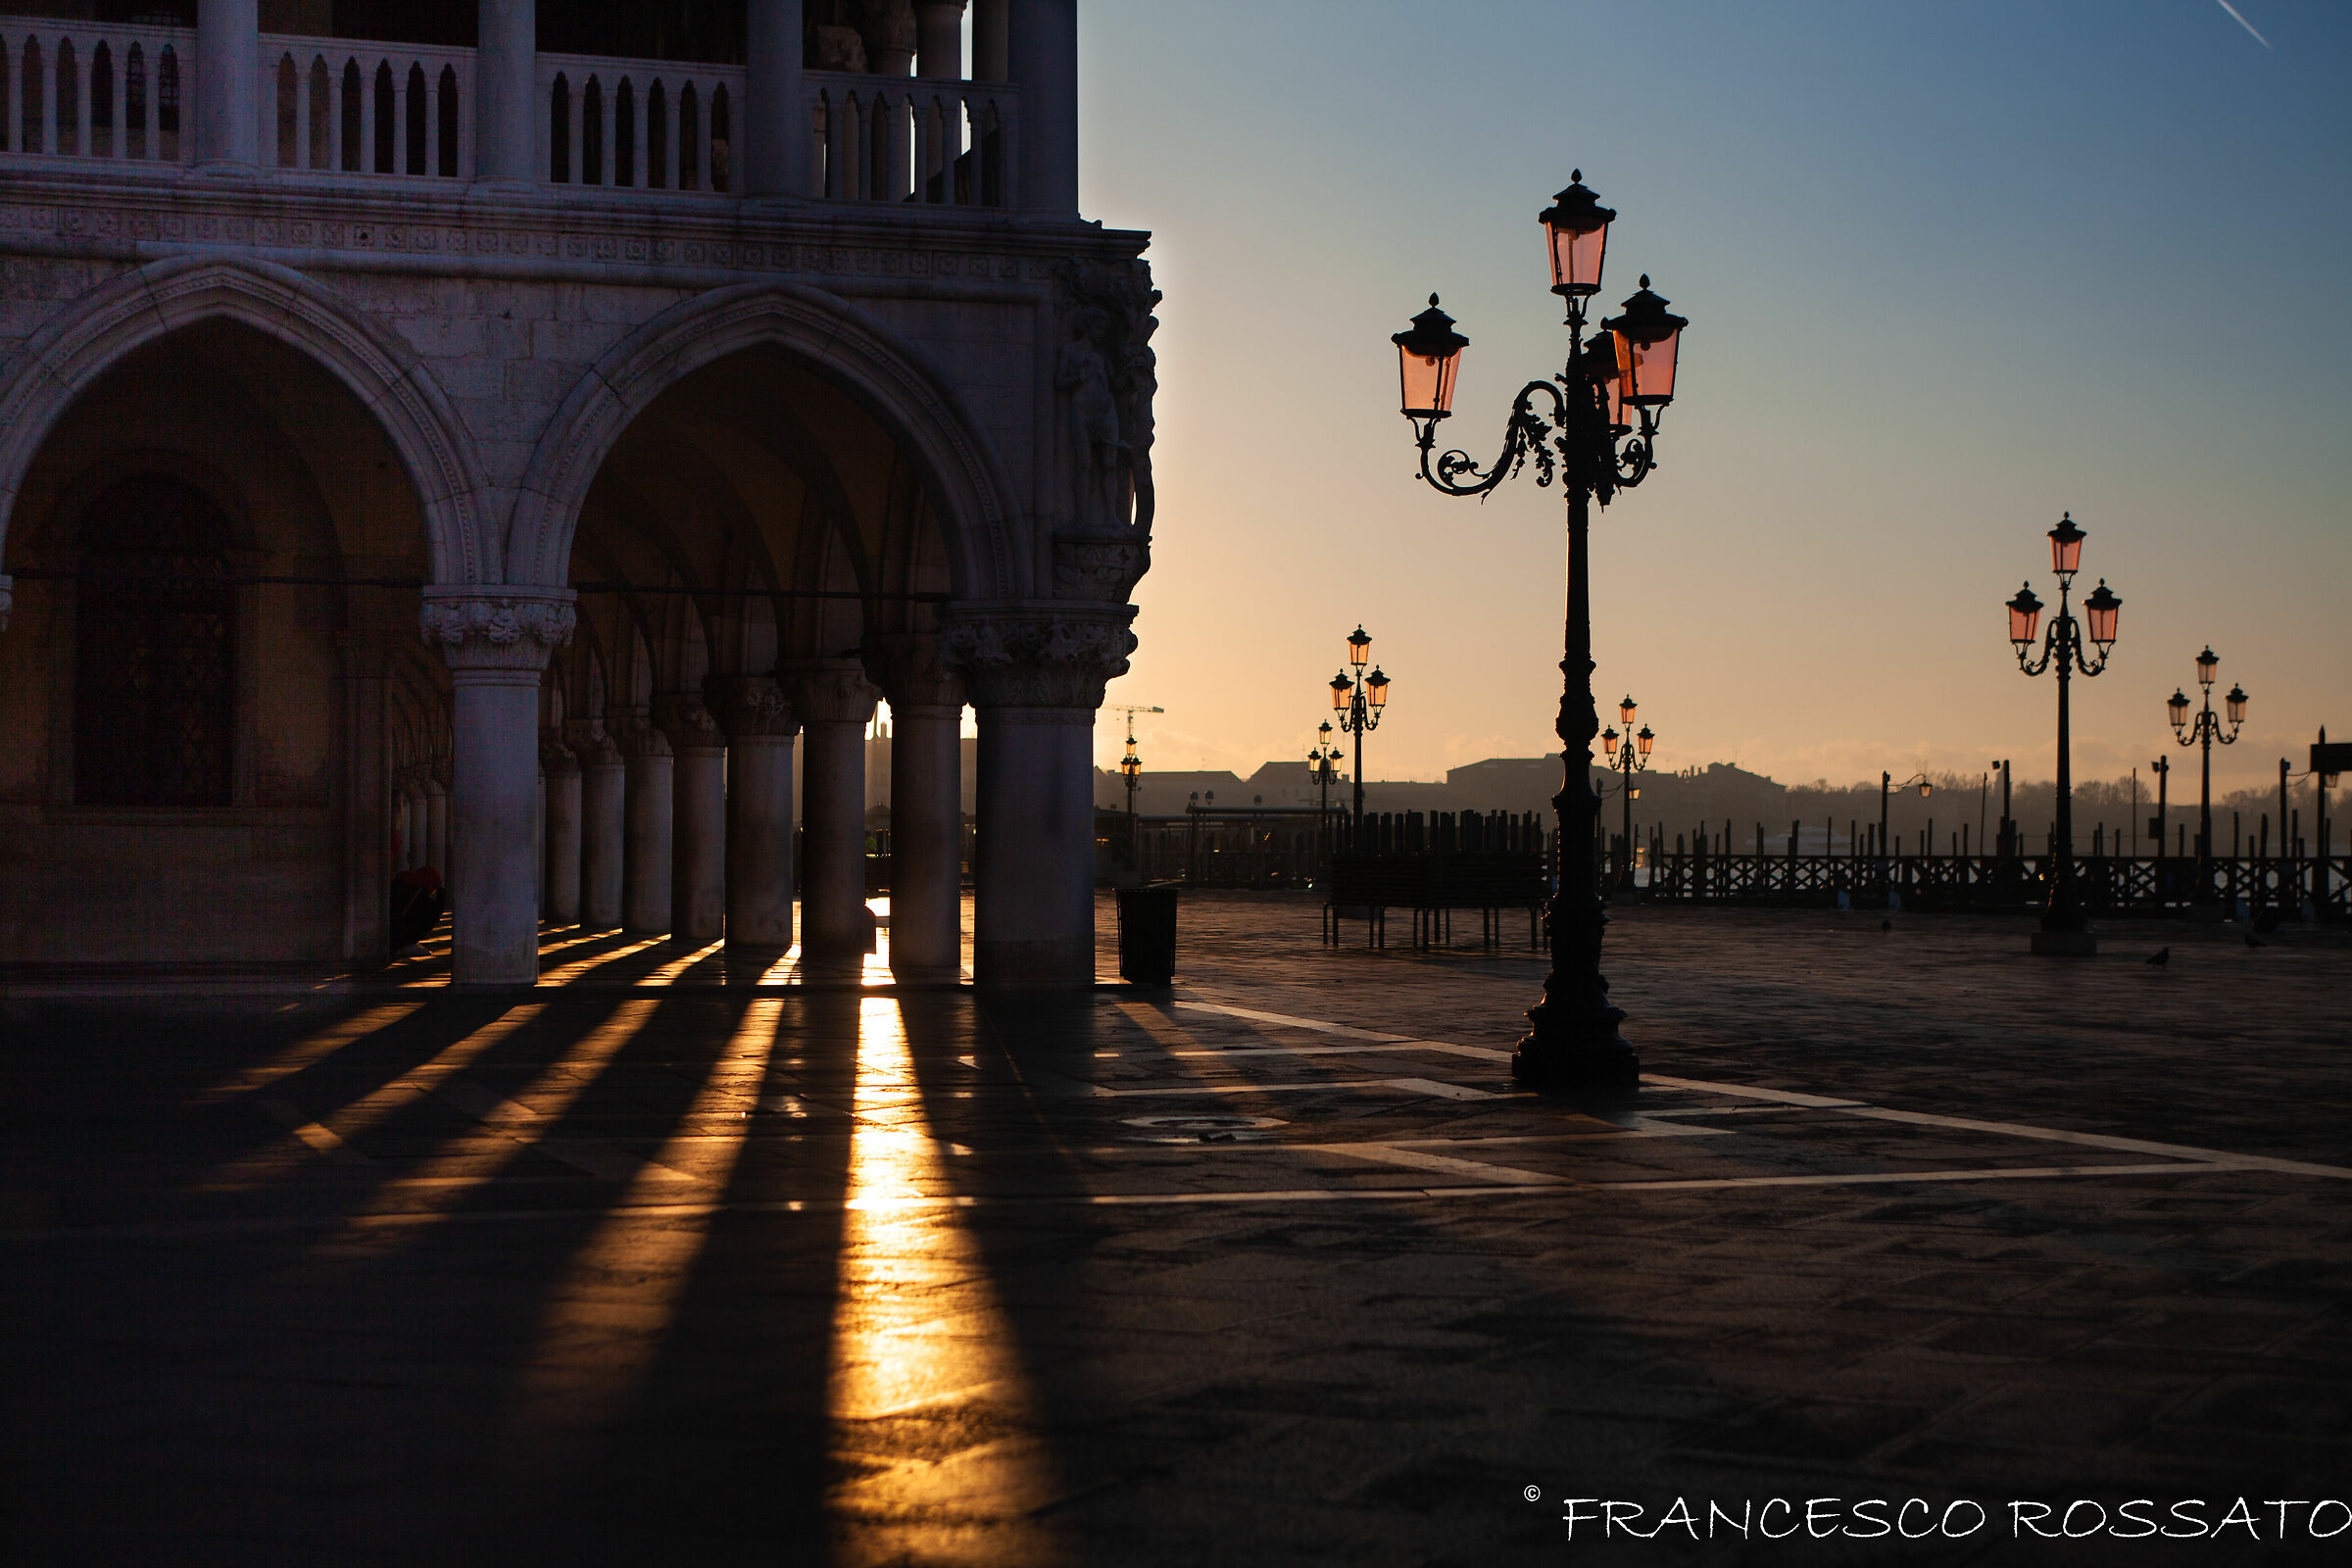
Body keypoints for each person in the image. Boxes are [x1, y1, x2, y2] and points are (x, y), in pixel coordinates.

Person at [390, 864, 444, 956]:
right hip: (397, 937)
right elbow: (429, 917)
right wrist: (441, 897)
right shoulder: (417, 894)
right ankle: (403, 945)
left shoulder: (402, 882)